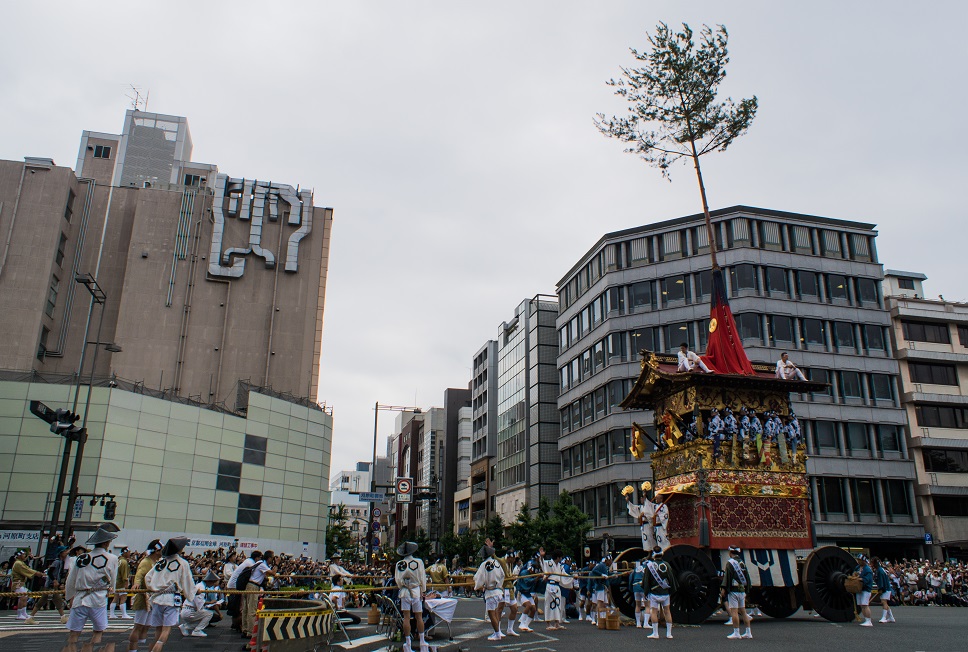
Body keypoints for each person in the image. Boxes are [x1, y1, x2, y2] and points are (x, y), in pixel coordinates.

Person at [64, 524, 120, 648]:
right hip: (98, 598)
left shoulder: (81, 558)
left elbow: (71, 579)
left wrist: (69, 597)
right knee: (98, 631)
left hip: (80, 598)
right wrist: (112, 589)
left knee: (74, 632)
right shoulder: (112, 558)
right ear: (106, 543)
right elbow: (113, 579)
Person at [144, 537, 197, 652]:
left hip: (157, 598)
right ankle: (156, 649)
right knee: (166, 630)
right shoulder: (183, 563)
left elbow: (148, 577)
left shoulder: (161, 562)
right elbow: (188, 581)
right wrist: (192, 593)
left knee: (158, 629)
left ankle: (155, 648)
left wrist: (154, 588)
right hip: (171, 598)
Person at [228, 549, 275, 638]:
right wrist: (276, 564)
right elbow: (273, 573)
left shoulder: (256, 563)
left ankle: (245, 630)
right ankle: (250, 632)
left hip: (247, 586)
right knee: (252, 610)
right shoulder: (262, 564)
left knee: (246, 609)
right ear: (269, 558)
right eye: (272, 558)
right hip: (253, 586)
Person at [128, 539, 165, 651]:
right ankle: (132, 649)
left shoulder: (158, 562)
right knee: (138, 626)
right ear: (157, 550)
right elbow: (139, 575)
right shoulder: (146, 562)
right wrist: (136, 583)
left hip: (152, 597)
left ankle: (141, 646)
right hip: (144, 596)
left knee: (147, 626)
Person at [395, 541, 428, 652]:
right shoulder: (419, 562)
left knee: (406, 617)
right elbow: (423, 577)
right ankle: (422, 641)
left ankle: (408, 642)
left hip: (404, 591)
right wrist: (423, 590)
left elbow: (398, 580)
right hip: (415, 590)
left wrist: (402, 586)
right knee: (419, 616)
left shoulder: (399, 564)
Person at [25, 548, 68, 625]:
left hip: (53, 585)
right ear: (61, 553)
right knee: (43, 600)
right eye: (64, 552)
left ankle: (63, 617)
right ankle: (30, 617)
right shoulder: (57, 562)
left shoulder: (61, 562)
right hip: (50, 584)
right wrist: (54, 580)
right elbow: (50, 572)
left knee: (56, 600)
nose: (66, 553)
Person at [641, 548, 675, 639]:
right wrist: (671, 590)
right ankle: (669, 634)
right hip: (665, 592)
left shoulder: (650, 566)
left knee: (654, 611)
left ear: (653, 554)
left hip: (654, 593)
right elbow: (671, 579)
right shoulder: (666, 565)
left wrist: (645, 592)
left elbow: (646, 580)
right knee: (667, 611)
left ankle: (655, 633)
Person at [474, 544, 506, 641]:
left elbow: (478, 578)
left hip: (491, 591)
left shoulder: (484, 564)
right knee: (496, 612)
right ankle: (497, 631)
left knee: (491, 614)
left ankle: (497, 634)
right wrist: (500, 585)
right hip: (498, 590)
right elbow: (502, 575)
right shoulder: (496, 563)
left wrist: (478, 586)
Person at [722, 546, 752, 639]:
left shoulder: (730, 563)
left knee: (734, 611)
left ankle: (736, 632)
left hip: (734, 590)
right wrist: (747, 589)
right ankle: (748, 632)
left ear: (730, 552)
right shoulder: (742, 562)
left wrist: (724, 589)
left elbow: (727, 577)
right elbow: (747, 577)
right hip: (742, 589)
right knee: (743, 611)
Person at [180, 569, 220, 637]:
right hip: (189, 610)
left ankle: (185, 626)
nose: (213, 584)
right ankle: (197, 631)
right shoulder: (201, 587)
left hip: (187, 609)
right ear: (210, 582)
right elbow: (199, 604)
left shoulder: (200, 585)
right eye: (213, 583)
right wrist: (210, 602)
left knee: (204, 619)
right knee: (209, 614)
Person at [538, 548, 572, 631]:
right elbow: (542, 564)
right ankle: (548, 624)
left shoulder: (560, 566)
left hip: (557, 586)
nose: (561, 559)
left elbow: (564, 575)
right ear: (558, 557)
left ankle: (557, 623)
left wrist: (572, 577)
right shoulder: (548, 563)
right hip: (550, 585)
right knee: (549, 604)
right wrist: (542, 557)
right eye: (560, 557)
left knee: (558, 605)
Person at [11, 549, 46, 621]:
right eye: (23, 555)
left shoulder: (20, 562)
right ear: (19, 556)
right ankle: (20, 614)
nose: (25, 556)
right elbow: (28, 570)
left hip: (21, 582)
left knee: (25, 597)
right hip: (17, 583)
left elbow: (27, 569)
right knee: (22, 597)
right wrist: (37, 573)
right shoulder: (18, 563)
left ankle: (23, 613)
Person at [514, 553, 539, 632]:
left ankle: (526, 624)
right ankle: (522, 623)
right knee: (528, 606)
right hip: (521, 592)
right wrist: (536, 579)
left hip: (527, 593)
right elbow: (527, 582)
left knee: (533, 608)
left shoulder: (533, 574)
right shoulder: (524, 573)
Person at [110, 548, 132, 619]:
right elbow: (124, 574)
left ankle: (112, 614)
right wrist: (126, 583)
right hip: (121, 582)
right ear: (125, 553)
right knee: (123, 597)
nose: (129, 554)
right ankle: (124, 614)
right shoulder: (124, 562)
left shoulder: (118, 560)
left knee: (115, 597)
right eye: (128, 552)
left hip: (115, 581)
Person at [853, 554, 875, 627]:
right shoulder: (857, 567)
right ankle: (866, 619)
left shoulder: (867, 569)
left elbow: (867, 580)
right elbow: (854, 573)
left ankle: (869, 621)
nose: (858, 561)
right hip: (859, 589)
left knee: (865, 605)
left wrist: (859, 579)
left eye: (860, 560)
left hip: (866, 589)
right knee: (861, 605)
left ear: (864, 561)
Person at [871, 557, 895, 623]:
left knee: (884, 602)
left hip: (885, 588)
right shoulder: (880, 569)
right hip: (886, 587)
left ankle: (884, 618)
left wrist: (881, 588)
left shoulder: (880, 571)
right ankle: (891, 617)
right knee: (885, 603)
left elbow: (881, 580)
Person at [589, 555, 611, 625]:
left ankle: (602, 618)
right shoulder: (601, 565)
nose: (611, 562)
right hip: (599, 587)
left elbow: (608, 574)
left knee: (604, 604)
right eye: (610, 560)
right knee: (599, 603)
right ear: (607, 560)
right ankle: (597, 619)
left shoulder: (605, 567)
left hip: (602, 587)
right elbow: (593, 571)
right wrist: (601, 574)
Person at [629, 561, 649, 628]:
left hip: (635, 587)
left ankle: (638, 623)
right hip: (643, 587)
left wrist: (631, 588)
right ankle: (646, 623)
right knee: (647, 606)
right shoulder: (648, 568)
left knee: (638, 605)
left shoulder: (637, 568)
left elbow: (631, 577)